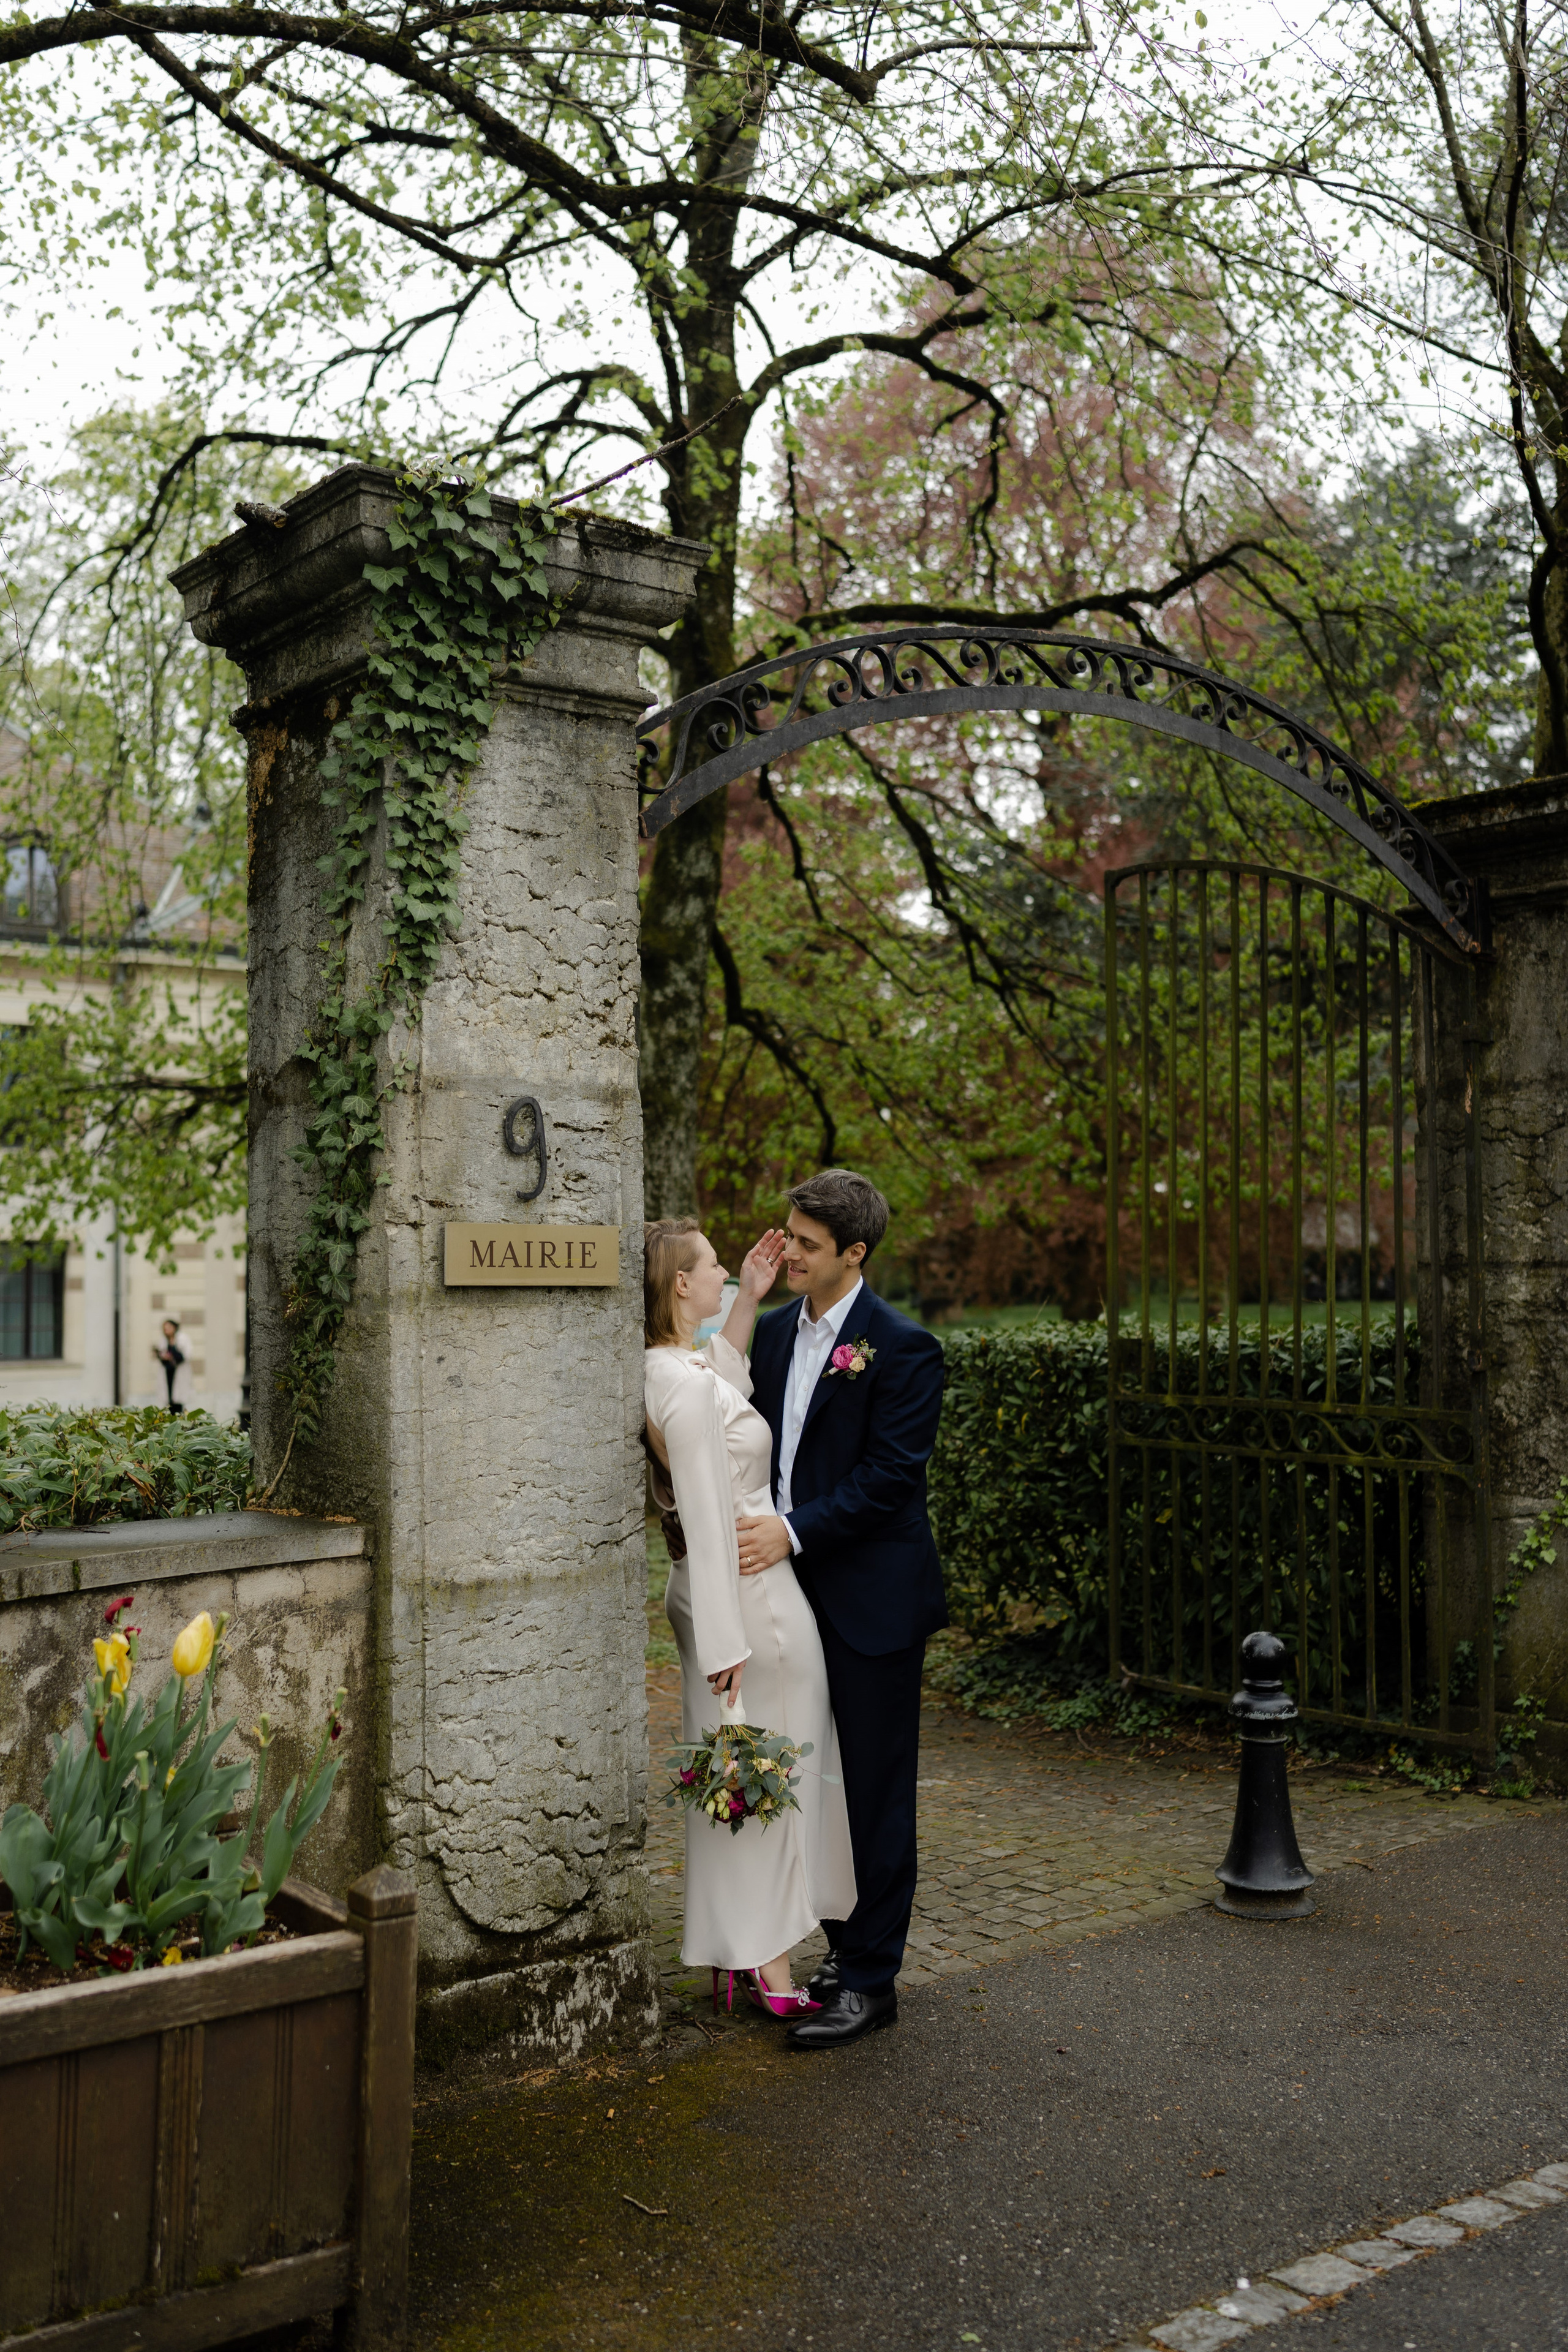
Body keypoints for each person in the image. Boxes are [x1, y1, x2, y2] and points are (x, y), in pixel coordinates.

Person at [736, 1168, 946, 2049]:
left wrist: (790, 1532)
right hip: (790, 1603)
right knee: (811, 1786)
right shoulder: (773, 1334)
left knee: (873, 1793)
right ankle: (837, 1947)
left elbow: (890, 1479)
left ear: (853, 1254)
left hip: (871, 1602)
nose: (788, 1251)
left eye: (806, 1244)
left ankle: (870, 1980)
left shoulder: (903, 1347)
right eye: (788, 1233)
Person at [643, 1217, 856, 2018]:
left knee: (740, 1774)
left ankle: (746, 1949)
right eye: (713, 1268)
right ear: (679, 1284)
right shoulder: (684, 1384)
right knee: (774, 1774)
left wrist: (747, 1302)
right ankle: (769, 1963)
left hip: (721, 1593)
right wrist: (726, 1643)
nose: (725, 1275)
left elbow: (721, 1378)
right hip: (747, 1600)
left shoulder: (671, 1367)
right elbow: (705, 1510)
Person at [153, 1317, 189, 1414]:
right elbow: (161, 1356)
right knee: (168, 1400)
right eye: (165, 1328)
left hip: (178, 1373)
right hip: (168, 1373)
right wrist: (162, 1356)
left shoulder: (182, 1339)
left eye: (169, 1328)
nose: (166, 1330)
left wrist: (171, 1356)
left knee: (178, 1400)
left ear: (174, 1328)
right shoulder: (164, 1341)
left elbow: (185, 1356)